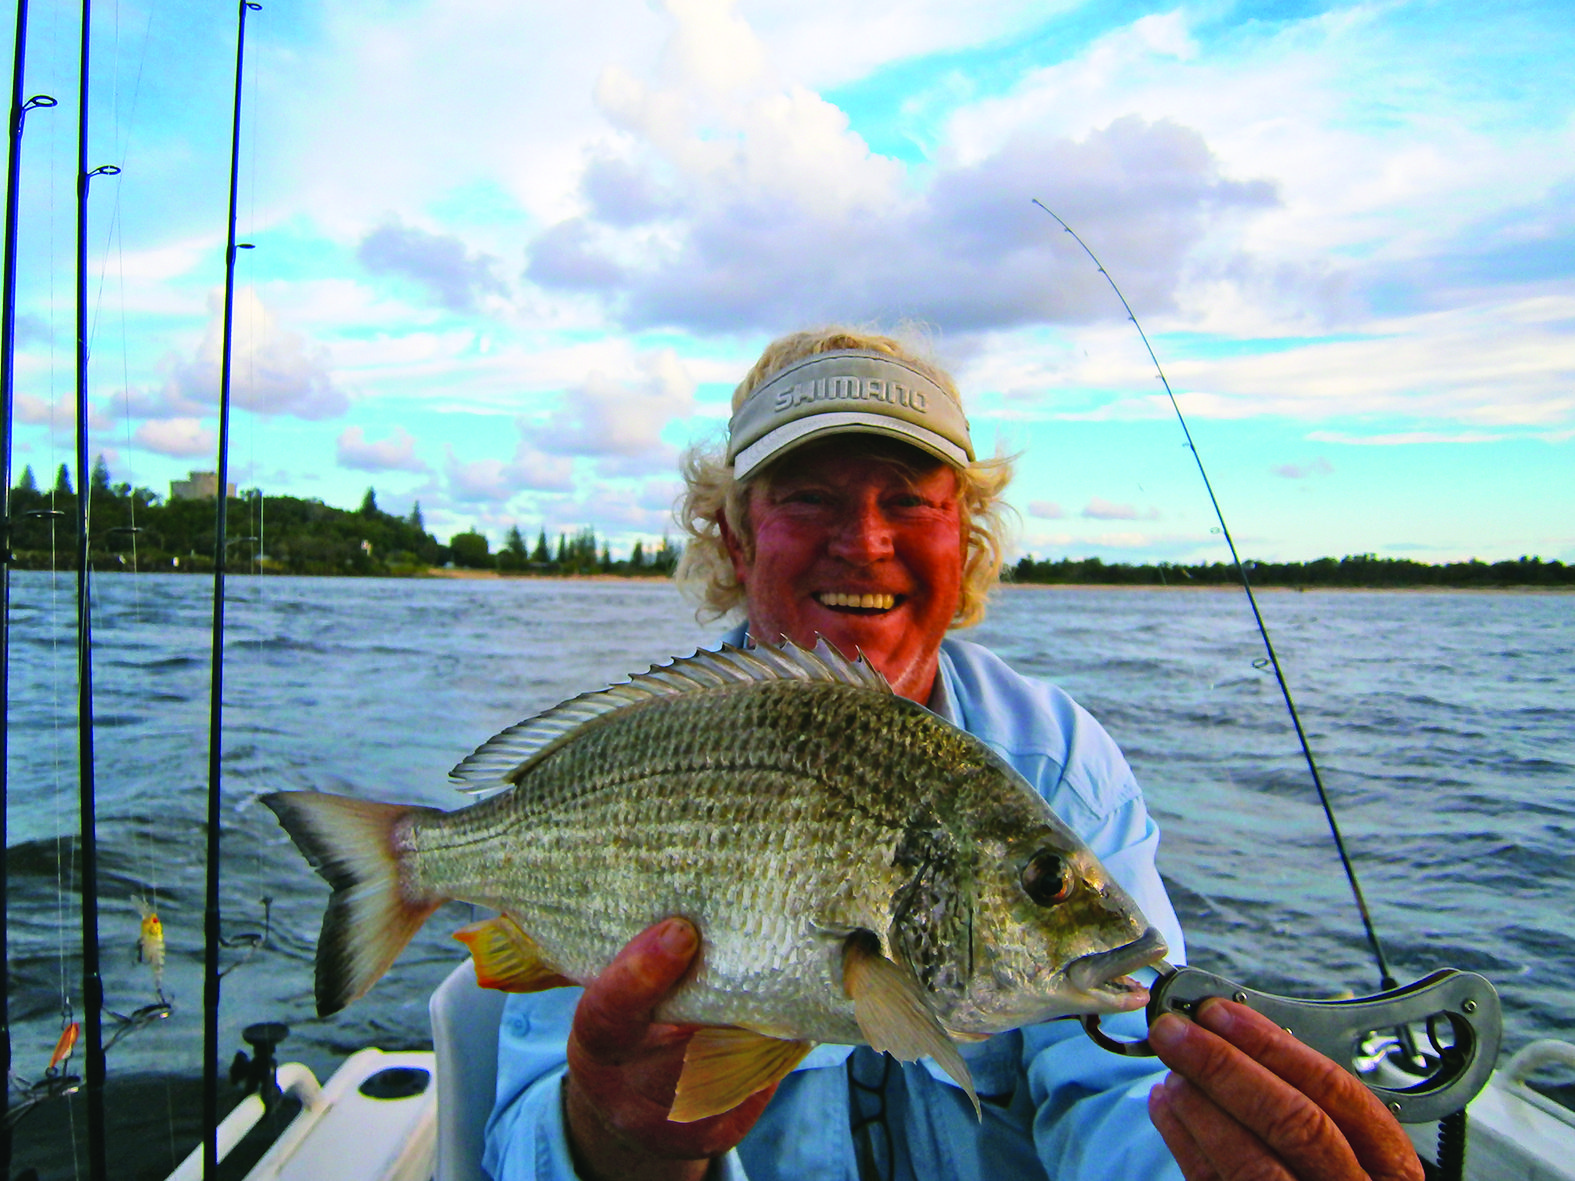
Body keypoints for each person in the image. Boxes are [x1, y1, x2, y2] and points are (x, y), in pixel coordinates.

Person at [482, 327, 1423, 1181]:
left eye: (908, 499)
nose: (863, 542)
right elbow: (520, 1150)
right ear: (732, 532)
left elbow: (1119, 1085)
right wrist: (621, 1139)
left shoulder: (1052, 763)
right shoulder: (628, 760)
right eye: (807, 497)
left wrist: (1208, 1159)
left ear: (962, 533)